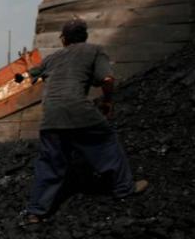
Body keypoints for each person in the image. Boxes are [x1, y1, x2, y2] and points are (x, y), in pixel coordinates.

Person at [14, 17, 148, 224]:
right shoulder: (94, 50)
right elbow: (107, 80)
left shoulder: (52, 58)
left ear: (63, 39)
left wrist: (26, 67)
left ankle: (36, 211)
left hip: (50, 117)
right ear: (84, 36)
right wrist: (108, 101)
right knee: (106, 142)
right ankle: (124, 188)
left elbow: (25, 76)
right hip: (79, 111)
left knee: (50, 162)